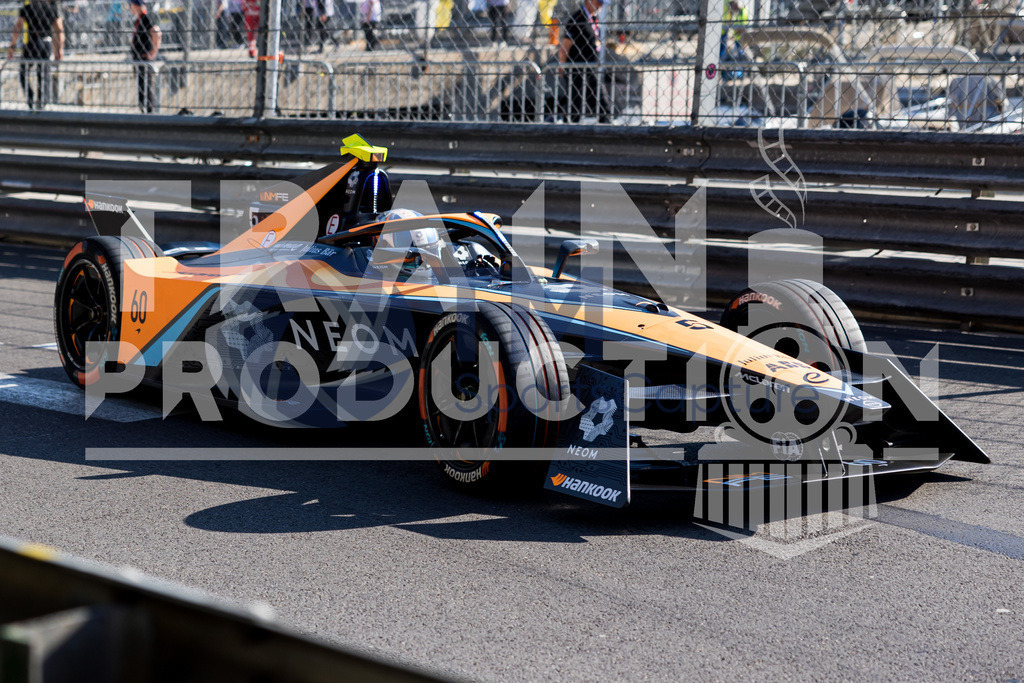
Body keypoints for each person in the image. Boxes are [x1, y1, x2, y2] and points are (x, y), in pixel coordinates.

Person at [557, 0, 609, 122]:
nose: (600, 6)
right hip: (577, 69)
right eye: (598, 3)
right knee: (575, 103)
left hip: (591, 68)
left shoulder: (594, 19)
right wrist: (562, 65)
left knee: (601, 102)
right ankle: (569, 129)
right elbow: (565, 46)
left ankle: (606, 125)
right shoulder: (578, 19)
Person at [7, 0, 64, 110]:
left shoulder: (28, 8)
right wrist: (59, 49)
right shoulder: (51, 9)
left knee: (24, 71)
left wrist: (12, 46)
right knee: (43, 73)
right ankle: (42, 101)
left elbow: (18, 27)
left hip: (33, 41)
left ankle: (31, 97)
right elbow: (59, 29)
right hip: (46, 42)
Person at [128, 0, 160, 113]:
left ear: (137, 6)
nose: (130, 8)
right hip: (138, 59)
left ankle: (149, 111)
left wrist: (153, 52)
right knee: (141, 86)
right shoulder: (138, 20)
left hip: (144, 58)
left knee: (147, 87)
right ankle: (143, 110)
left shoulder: (146, 18)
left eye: (131, 5)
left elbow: (156, 32)